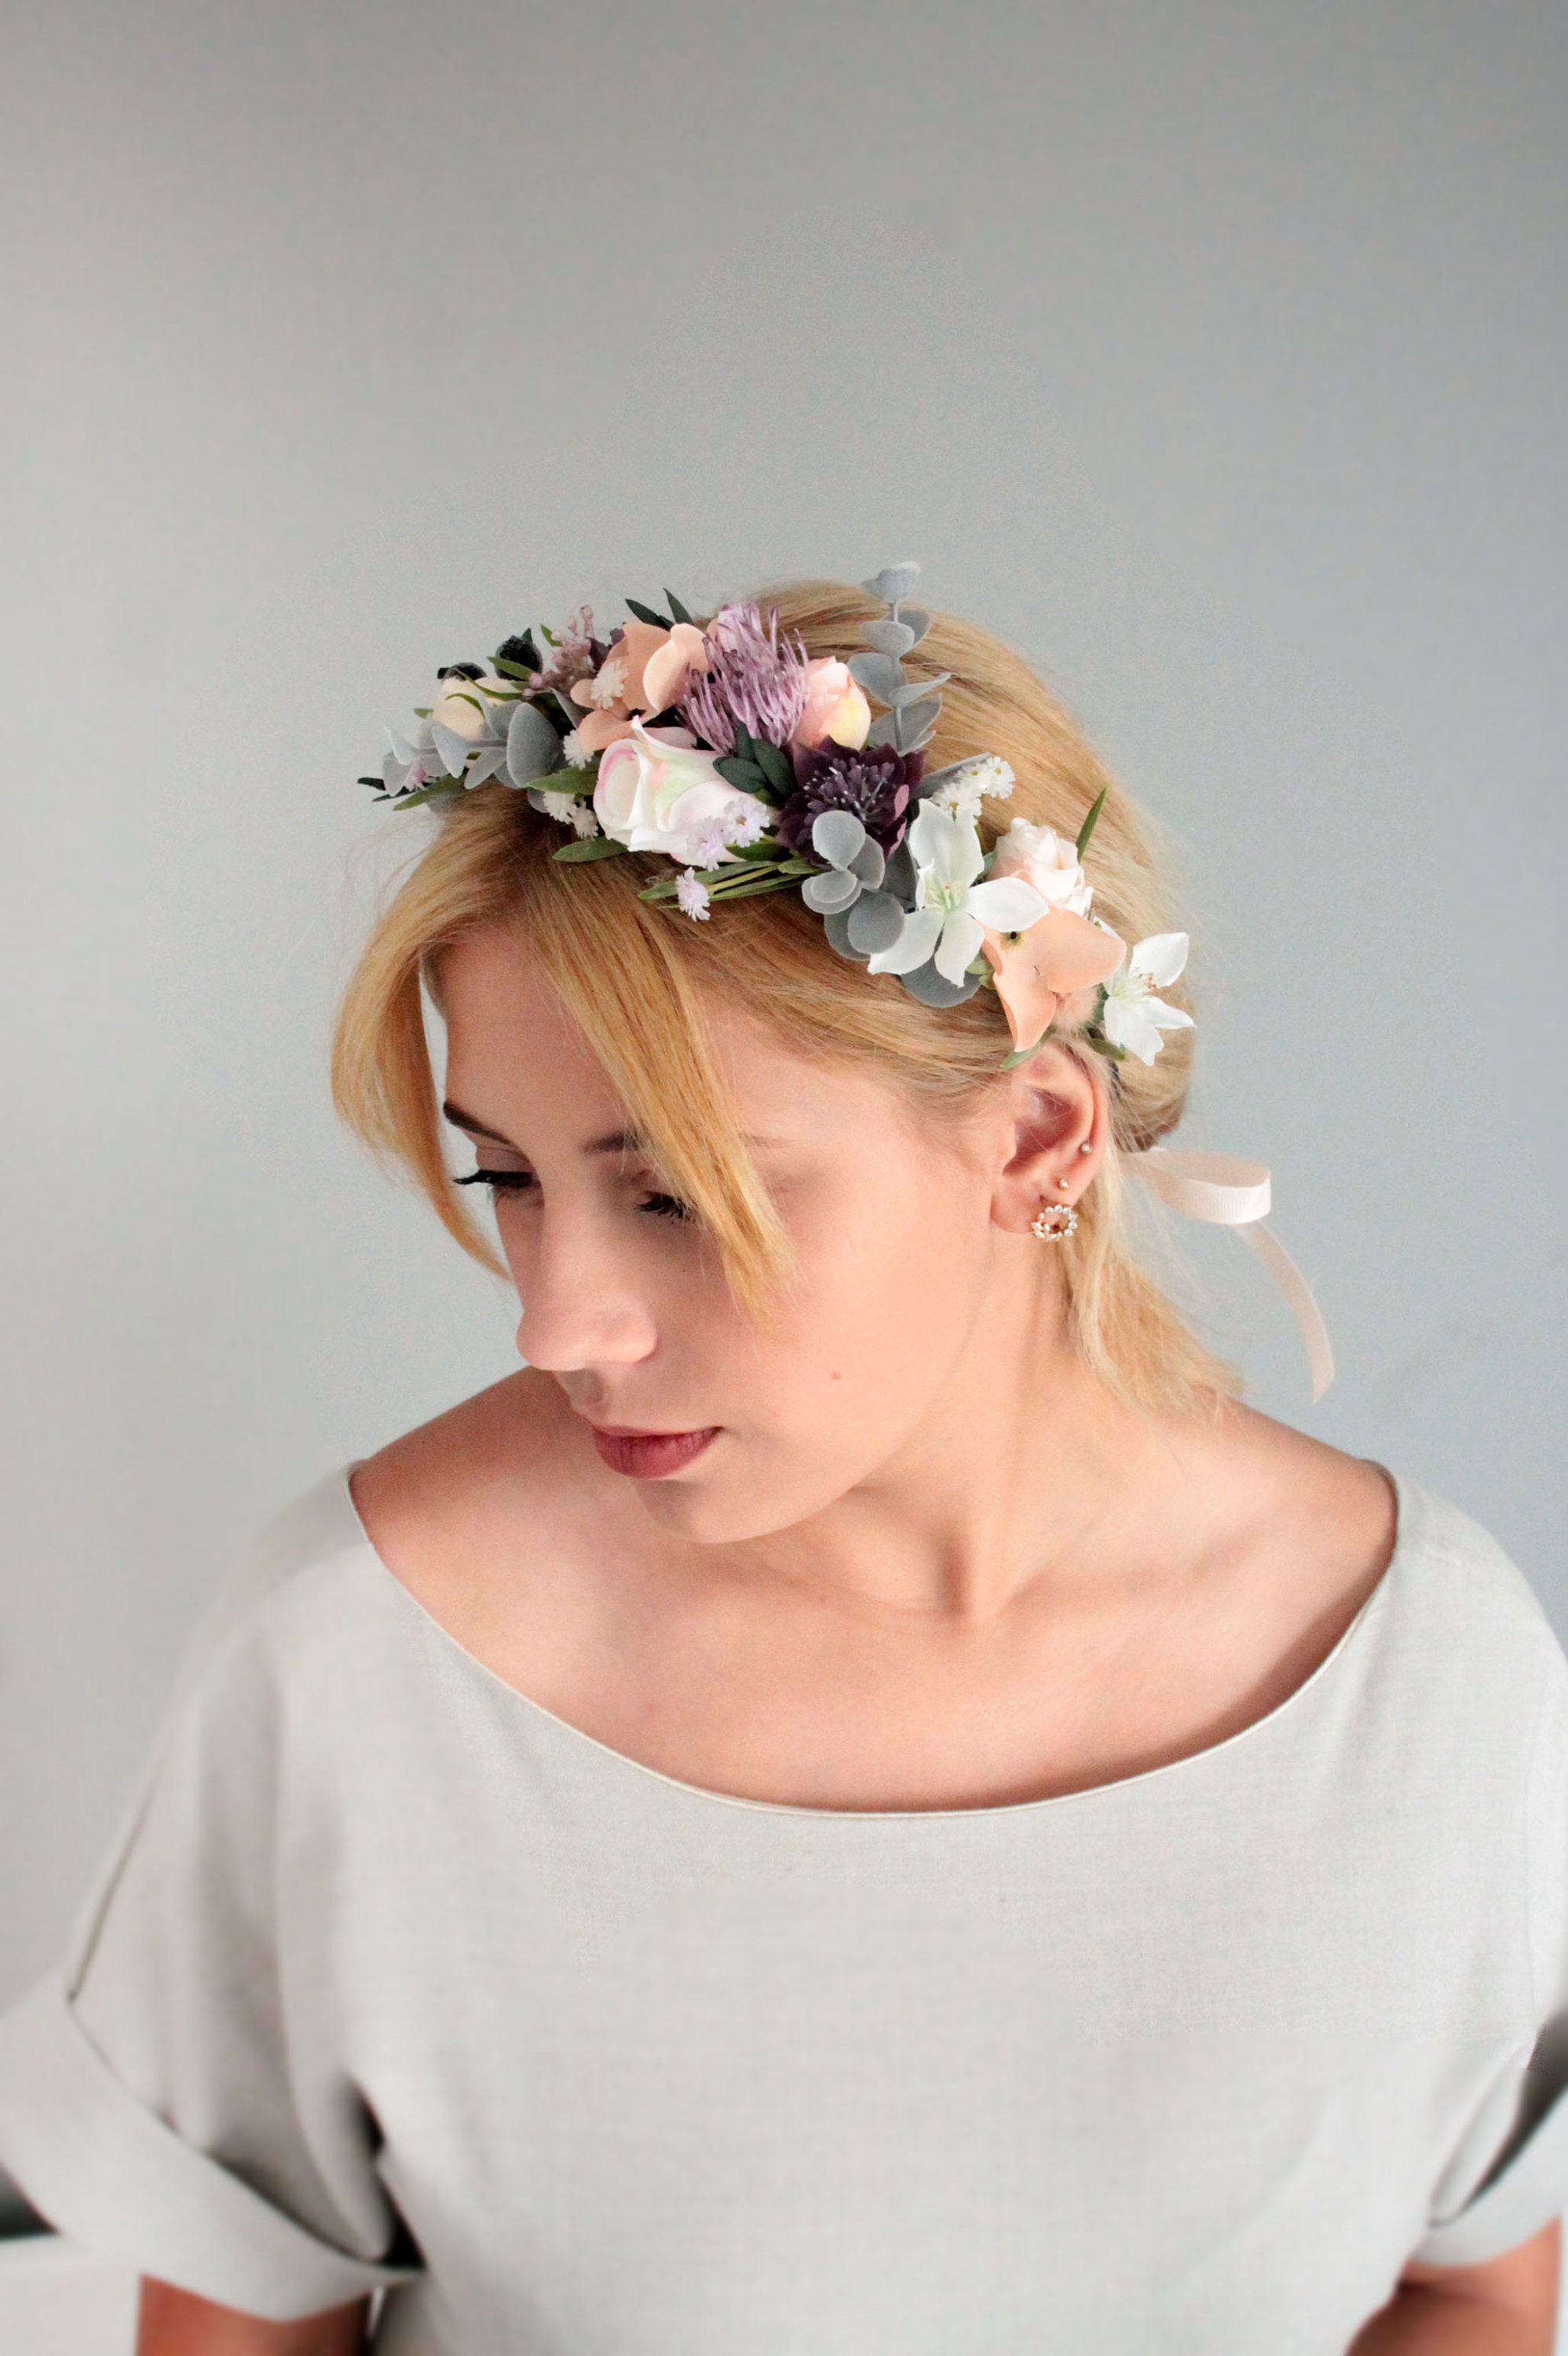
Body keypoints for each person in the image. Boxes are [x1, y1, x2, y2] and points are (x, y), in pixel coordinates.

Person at [1, 570, 1563, 2355]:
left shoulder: (1424, 1685)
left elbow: (1474, 2293)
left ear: (1036, 1138)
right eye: (510, 1177)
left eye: (674, 1194)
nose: (554, 1323)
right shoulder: (364, 1663)